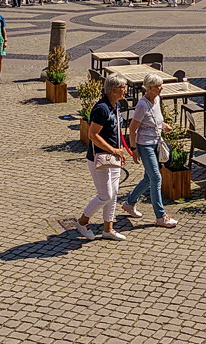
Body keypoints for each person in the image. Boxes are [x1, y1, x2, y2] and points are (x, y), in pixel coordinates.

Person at [120, 72, 181, 229]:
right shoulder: (141, 105)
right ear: (149, 88)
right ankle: (160, 216)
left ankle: (129, 203)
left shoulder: (157, 99)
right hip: (145, 145)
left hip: (157, 143)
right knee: (156, 178)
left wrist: (163, 125)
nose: (161, 88)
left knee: (148, 178)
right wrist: (134, 149)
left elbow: (155, 119)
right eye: (158, 86)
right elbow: (132, 129)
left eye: (161, 85)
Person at [75, 76, 131, 240]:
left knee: (113, 194)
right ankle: (83, 221)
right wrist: (113, 149)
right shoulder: (102, 109)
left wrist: (120, 150)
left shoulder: (116, 105)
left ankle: (108, 229)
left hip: (113, 157)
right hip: (99, 158)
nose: (126, 89)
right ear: (113, 90)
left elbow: (116, 131)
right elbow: (92, 135)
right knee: (105, 195)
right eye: (123, 87)